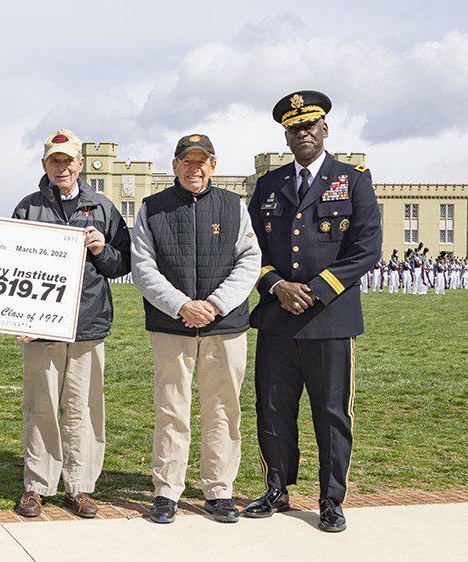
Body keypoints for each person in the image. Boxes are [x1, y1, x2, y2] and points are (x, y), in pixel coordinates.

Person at [246, 91, 381, 532]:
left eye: (310, 125)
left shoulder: (354, 179)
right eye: (294, 128)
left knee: (331, 412)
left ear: (325, 129)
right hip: (278, 317)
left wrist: (318, 290)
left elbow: (365, 250)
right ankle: (276, 489)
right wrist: (276, 284)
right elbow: (252, 249)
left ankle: (331, 500)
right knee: (273, 409)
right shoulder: (268, 185)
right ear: (285, 136)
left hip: (330, 319)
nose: (303, 133)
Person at [130, 134, 260, 524]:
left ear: (213, 166)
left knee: (223, 409)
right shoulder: (152, 208)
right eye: (187, 161)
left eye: (202, 161)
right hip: (172, 326)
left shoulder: (233, 206)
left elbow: (249, 260)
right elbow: (143, 267)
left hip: (226, 326)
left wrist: (216, 304)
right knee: (172, 409)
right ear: (175, 166)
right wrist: (180, 305)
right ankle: (167, 490)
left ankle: (219, 490)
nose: (195, 168)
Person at [10, 128, 131, 518]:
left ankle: (79, 486)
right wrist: (16, 316)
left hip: (87, 323)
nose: (62, 167)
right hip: (40, 328)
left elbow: (122, 263)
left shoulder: (103, 207)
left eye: (68, 161)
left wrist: (102, 248)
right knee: (40, 405)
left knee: (83, 407)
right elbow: (9, 268)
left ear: (80, 164)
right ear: (44, 164)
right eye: (54, 160)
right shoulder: (28, 208)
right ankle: (38, 485)